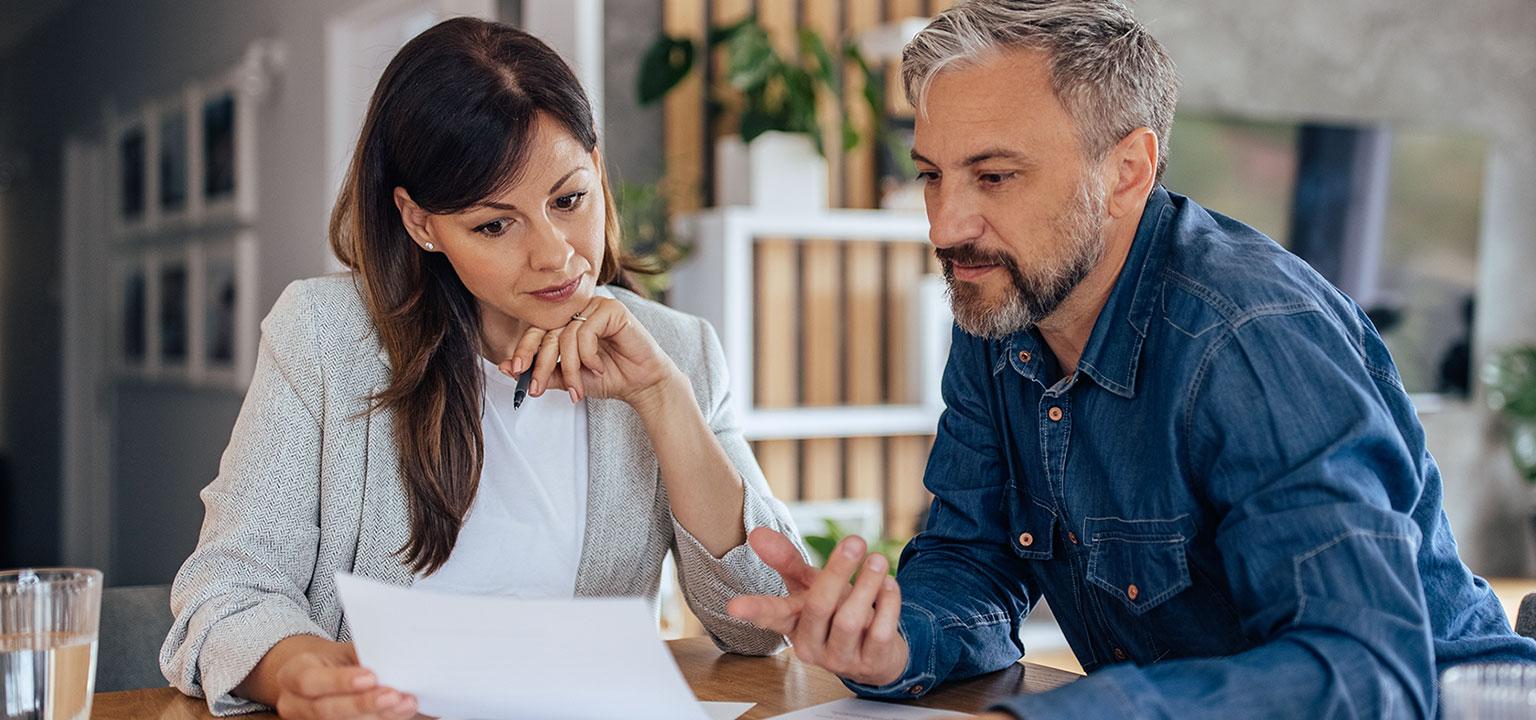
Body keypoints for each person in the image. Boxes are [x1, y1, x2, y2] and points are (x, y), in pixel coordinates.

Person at [727, 1, 1536, 717]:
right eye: (933, 176)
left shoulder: (1250, 340)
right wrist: (897, 641)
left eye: (995, 176)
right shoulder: (1005, 304)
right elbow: (972, 557)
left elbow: (1365, 676)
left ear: (1128, 172)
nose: (945, 226)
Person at [160, 18, 799, 719]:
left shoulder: (679, 351)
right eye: (495, 225)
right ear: (420, 223)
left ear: (596, 164)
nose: (555, 255)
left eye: (569, 199)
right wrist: (300, 674)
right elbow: (225, 591)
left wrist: (662, 398)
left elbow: (762, 623)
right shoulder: (322, 336)